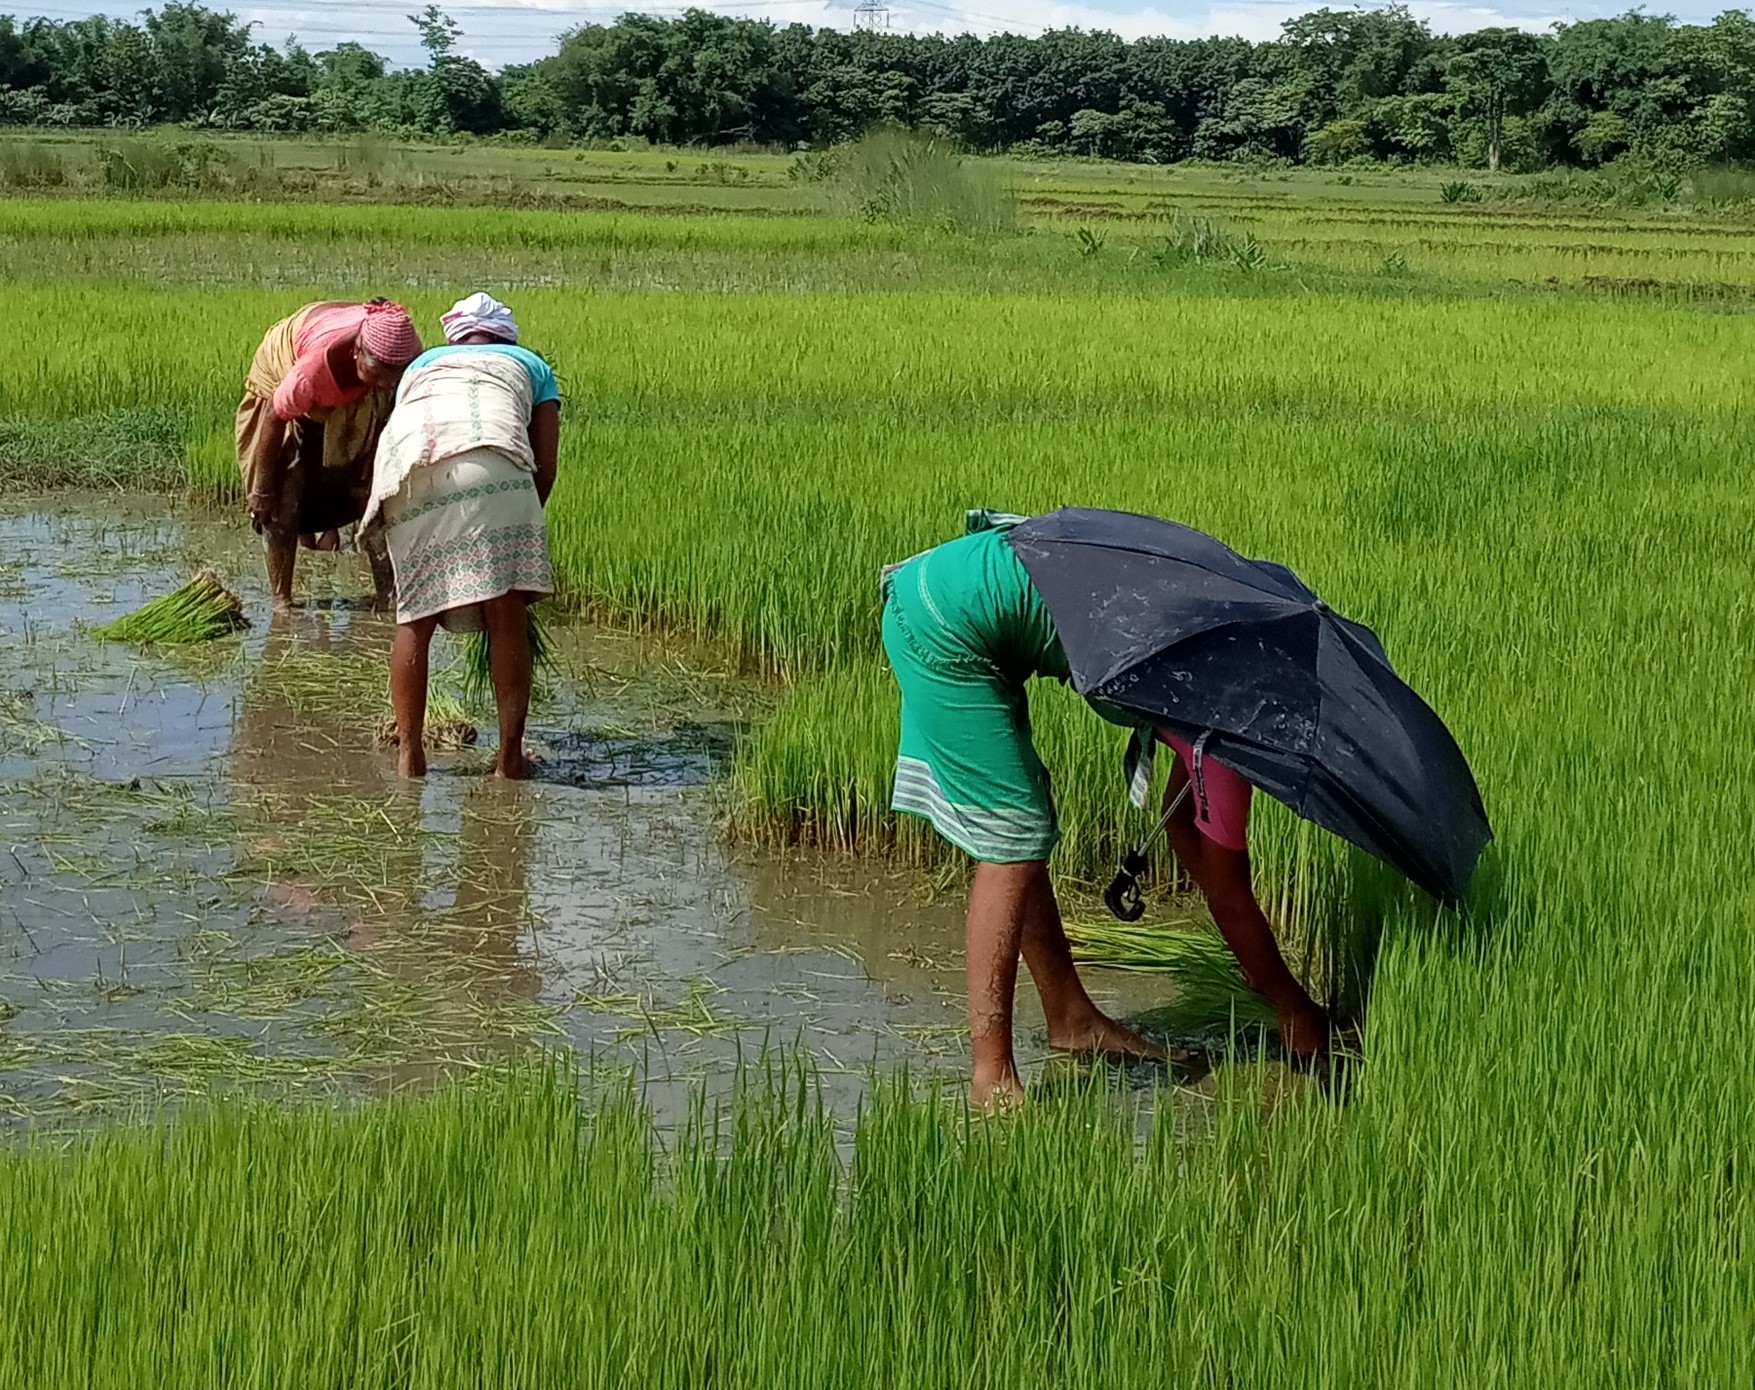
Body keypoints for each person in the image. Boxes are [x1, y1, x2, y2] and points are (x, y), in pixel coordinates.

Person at [881, 517, 1331, 1108]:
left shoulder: (1203, 627)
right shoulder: (1228, 718)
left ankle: (1071, 1018)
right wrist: (1292, 1005)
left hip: (951, 585)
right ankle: (991, 1080)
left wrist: (1266, 982)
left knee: (1026, 816)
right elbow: (1227, 885)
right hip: (943, 626)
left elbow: (1180, 825)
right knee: (1013, 839)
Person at [361, 292, 560, 782]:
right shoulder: (532, 365)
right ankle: (508, 762)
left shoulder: (422, 365)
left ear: (456, 336)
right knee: (505, 614)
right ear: (504, 336)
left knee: (416, 615)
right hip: (491, 462)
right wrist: (509, 537)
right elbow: (546, 466)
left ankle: (411, 757)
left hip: (408, 472)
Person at [236, 299, 424, 612]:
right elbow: (274, 416)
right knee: (283, 494)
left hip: (337, 354)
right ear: (356, 353)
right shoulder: (311, 372)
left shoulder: (398, 364)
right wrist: (261, 489)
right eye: (378, 374)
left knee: (371, 488)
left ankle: (389, 595)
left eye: (395, 375)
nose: (387, 384)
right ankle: (281, 602)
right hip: (285, 362)